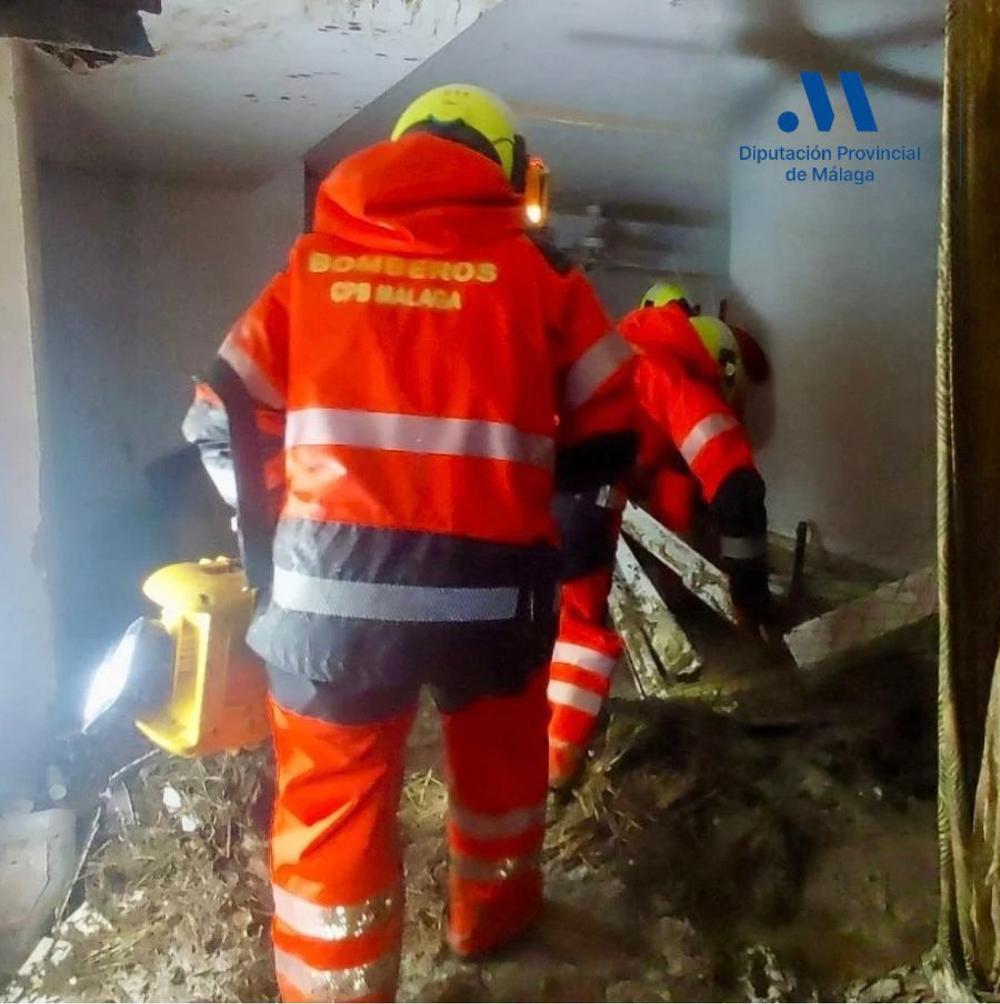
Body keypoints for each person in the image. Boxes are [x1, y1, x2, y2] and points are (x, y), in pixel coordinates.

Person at [183, 83, 637, 1002]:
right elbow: (611, 419)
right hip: (494, 598)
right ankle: (491, 929)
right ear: (506, 173)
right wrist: (568, 530)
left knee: (329, 813)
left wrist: (282, 537)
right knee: (501, 781)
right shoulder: (540, 279)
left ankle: (335, 990)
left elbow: (215, 421)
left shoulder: (309, 272)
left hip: (330, 609)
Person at [547, 282, 771, 788]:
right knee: (579, 629)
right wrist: (750, 592)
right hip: (585, 500)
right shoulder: (670, 377)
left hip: (532, 490)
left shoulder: (617, 346)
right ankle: (556, 766)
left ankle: (538, 763)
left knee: (557, 626)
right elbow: (737, 487)